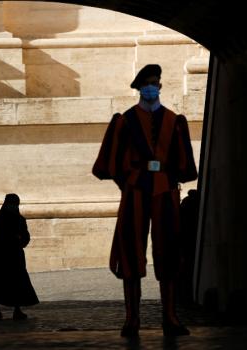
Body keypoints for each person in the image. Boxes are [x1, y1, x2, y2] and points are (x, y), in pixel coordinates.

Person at [92, 64, 197, 337]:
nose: (152, 87)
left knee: (170, 252)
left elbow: (183, 164)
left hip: (164, 192)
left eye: (155, 83)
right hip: (135, 191)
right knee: (130, 253)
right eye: (148, 83)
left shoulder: (174, 121)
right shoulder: (125, 121)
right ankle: (132, 319)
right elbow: (110, 164)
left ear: (160, 87)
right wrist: (127, 186)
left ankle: (170, 317)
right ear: (140, 88)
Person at [0, 193, 39, 320]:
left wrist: (20, 240)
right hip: (1, 256)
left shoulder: (17, 219)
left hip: (14, 256)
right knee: (1, 282)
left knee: (16, 283)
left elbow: (25, 237)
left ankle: (17, 310)